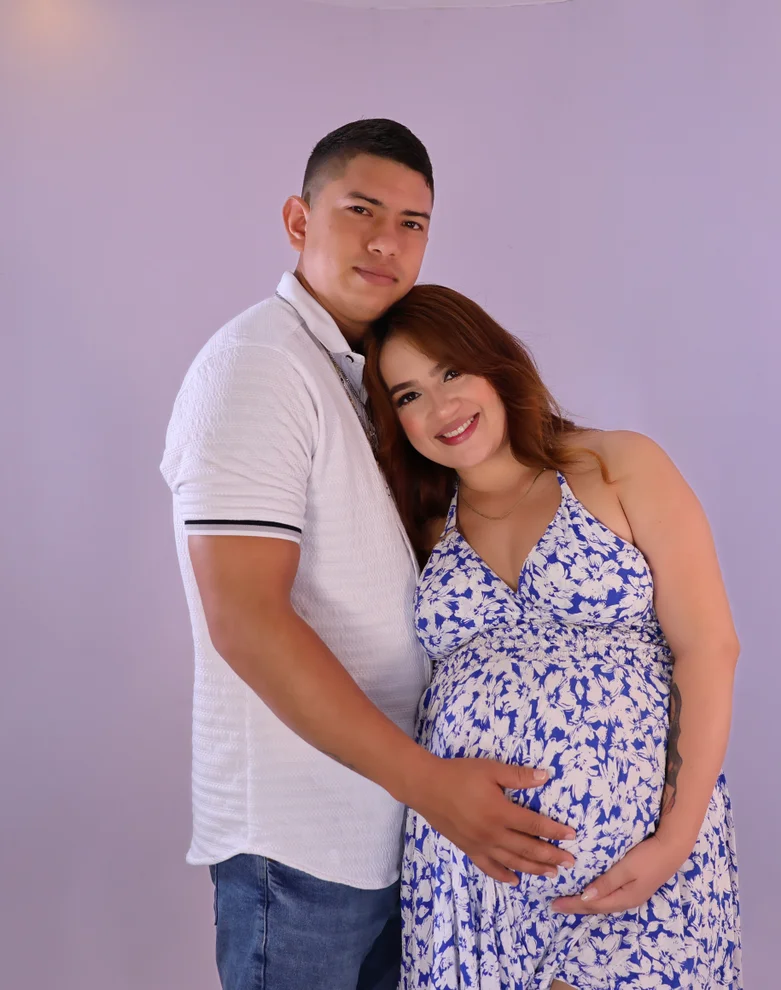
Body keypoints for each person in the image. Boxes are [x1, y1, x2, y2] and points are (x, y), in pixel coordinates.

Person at [160, 121, 574, 990]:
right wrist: (432, 786)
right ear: (298, 220)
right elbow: (246, 621)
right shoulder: (258, 367)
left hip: (385, 834)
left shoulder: (361, 375)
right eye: (362, 210)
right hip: (300, 847)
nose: (388, 241)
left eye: (413, 222)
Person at [363, 284, 743, 990]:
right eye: (409, 395)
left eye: (451, 372)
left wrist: (676, 838)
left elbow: (709, 648)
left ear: (494, 361)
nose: (442, 407)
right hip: (472, 881)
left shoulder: (616, 465)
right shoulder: (421, 527)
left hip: (637, 863)